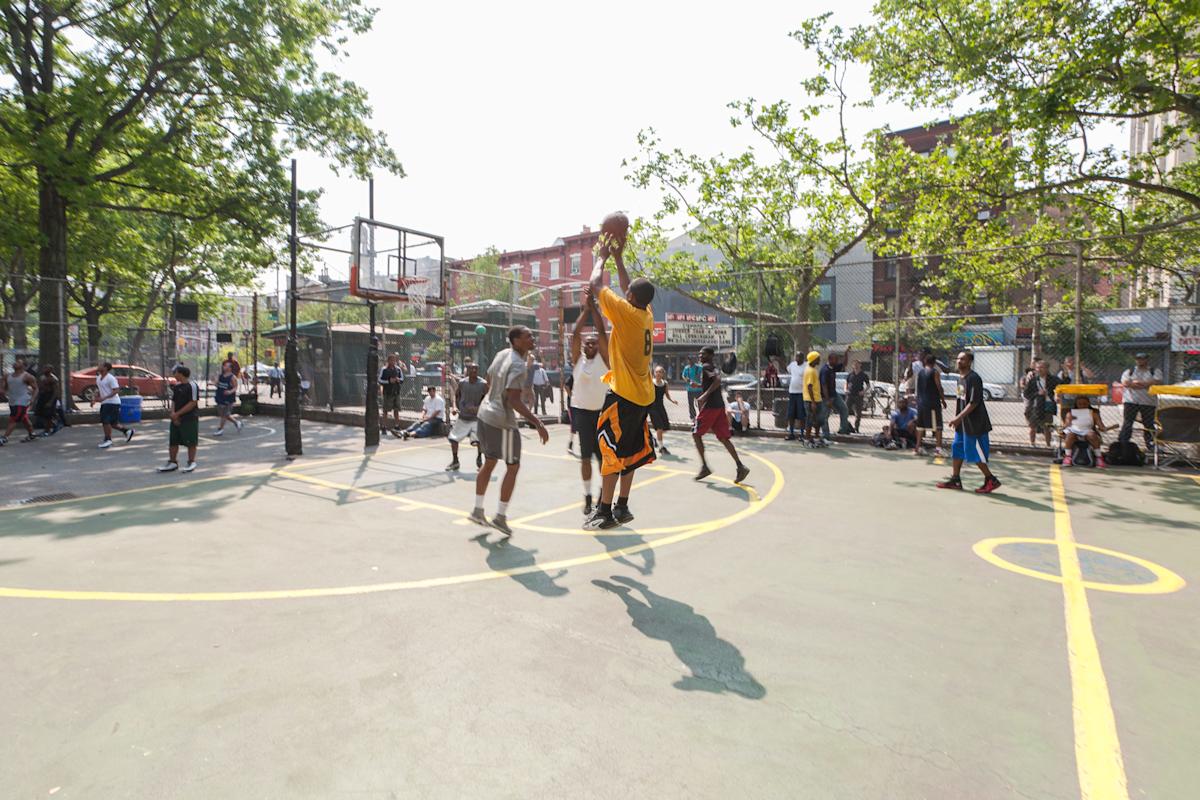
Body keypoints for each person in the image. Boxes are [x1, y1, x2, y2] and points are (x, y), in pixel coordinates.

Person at [584, 232, 657, 530]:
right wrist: (619, 257)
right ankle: (623, 507)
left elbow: (594, 285)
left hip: (624, 395)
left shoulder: (626, 313)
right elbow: (630, 288)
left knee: (610, 450)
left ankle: (604, 510)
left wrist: (601, 255)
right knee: (632, 450)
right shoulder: (645, 313)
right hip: (643, 395)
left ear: (630, 300)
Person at [470, 325, 549, 536]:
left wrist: (494, 399)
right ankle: (500, 517)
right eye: (527, 336)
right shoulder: (518, 364)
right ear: (515, 341)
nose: (532, 338)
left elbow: (488, 381)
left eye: (532, 335)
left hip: (484, 414)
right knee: (513, 467)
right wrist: (538, 422)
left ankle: (478, 510)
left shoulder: (502, 354)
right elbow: (514, 401)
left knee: (489, 462)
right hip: (501, 421)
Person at [937, 350, 1001, 494]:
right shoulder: (960, 378)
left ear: (970, 362)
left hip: (975, 425)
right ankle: (955, 479)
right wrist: (958, 419)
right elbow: (961, 400)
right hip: (963, 424)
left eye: (963, 359)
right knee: (957, 448)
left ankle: (991, 479)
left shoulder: (974, 378)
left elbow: (973, 403)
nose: (959, 361)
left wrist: (958, 417)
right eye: (958, 359)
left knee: (975, 453)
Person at [569, 298, 610, 514]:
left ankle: (603, 494)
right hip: (583, 415)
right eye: (588, 343)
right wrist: (585, 310)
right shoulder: (578, 360)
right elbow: (575, 334)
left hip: (604, 416)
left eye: (594, 343)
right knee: (585, 459)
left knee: (604, 460)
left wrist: (595, 309)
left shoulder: (604, 360)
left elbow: (603, 333)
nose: (591, 345)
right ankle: (587, 496)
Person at [691, 346, 750, 483]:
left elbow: (717, 381)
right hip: (719, 406)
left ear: (710, 355)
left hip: (710, 407)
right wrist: (700, 385)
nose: (700, 356)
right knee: (724, 438)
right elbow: (714, 380)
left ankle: (705, 466)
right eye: (699, 353)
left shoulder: (706, 366)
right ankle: (740, 466)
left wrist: (704, 395)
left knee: (696, 433)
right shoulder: (713, 367)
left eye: (703, 354)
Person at [158, 365, 200, 473]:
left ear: (181, 373)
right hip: (176, 419)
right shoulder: (176, 387)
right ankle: (172, 462)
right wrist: (173, 415)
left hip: (189, 419)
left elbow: (193, 403)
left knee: (191, 442)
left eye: (175, 372)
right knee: (173, 441)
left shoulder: (192, 386)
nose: (173, 374)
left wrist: (178, 414)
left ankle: (191, 462)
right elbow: (174, 401)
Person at [447, 363, 487, 471]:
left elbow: (489, 399)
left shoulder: (483, 384)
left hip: (477, 418)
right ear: (467, 370)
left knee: (478, 441)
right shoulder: (462, 383)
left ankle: (479, 460)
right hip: (463, 417)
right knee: (453, 439)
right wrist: (454, 407)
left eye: (476, 369)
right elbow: (456, 395)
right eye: (471, 368)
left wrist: (479, 407)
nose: (474, 370)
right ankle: (455, 461)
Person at [1118, 352, 1161, 451]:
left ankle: (1152, 445)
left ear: (1147, 360)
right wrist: (1146, 384)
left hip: (1148, 402)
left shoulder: (1154, 371)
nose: (1140, 361)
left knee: (1148, 424)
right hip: (1131, 401)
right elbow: (1125, 383)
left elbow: (1157, 381)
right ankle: (1122, 444)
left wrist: (1138, 383)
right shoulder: (1130, 371)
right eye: (1138, 359)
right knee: (1128, 423)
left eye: (1143, 358)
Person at [91, 362, 134, 448]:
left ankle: (108, 440)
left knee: (105, 421)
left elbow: (116, 390)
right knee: (113, 423)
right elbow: (98, 390)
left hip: (112, 402)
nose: (98, 366)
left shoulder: (110, 378)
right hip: (106, 403)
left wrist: (104, 398)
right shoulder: (99, 378)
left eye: (100, 365)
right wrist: (94, 399)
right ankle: (127, 431)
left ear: (106, 368)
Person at [1062, 396, 1112, 468]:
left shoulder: (1093, 413)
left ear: (1088, 404)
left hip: (1087, 430)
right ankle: (1068, 457)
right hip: (1074, 431)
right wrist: (1069, 421)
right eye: (1080, 404)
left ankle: (1099, 458)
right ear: (1076, 404)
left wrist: (1104, 428)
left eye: (1084, 404)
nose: (1082, 406)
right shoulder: (1071, 413)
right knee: (1070, 435)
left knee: (1091, 435)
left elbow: (1101, 426)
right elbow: (1066, 425)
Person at [0, 358, 39, 445]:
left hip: (23, 401)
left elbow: (36, 389)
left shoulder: (27, 376)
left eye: (18, 362)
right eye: (15, 362)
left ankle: (4, 438)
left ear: (23, 366)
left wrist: (32, 399)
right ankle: (32, 434)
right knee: (24, 418)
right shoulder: (8, 376)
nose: (15, 363)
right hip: (12, 401)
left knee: (13, 419)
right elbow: (4, 386)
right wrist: (2, 390)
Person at [913, 352, 945, 456]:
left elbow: (919, 388)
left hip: (921, 403)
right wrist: (943, 400)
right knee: (938, 426)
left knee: (920, 426)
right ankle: (938, 450)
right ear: (934, 362)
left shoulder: (920, 372)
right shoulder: (935, 372)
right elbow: (939, 387)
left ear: (925, 361)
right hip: (932, 403)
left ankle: (918, 448)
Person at [1022, 359, 1059, 447]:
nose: (1039, 369)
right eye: (1037, 367)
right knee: (1032, 426)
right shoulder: (1033, 380)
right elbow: (1026, 394)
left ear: (1047, 369)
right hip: (1035, 405)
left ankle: (1048, 445)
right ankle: (1032, 443)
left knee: (1047, 426)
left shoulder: (1053, 379)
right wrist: (1037, 393)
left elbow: (1060, 386)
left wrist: (1053, 394)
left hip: (1047, 405)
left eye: (1042, 367)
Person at [819, 353, 850, 437]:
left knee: (844, 409)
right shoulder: (825, 370)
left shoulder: (833, 368)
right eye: (835, 359)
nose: (837, 361)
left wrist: (846, 354)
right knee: (824, 416)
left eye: (837, 359)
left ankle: (843, 430)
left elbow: (844, 364)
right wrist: (828, 399)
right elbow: (824, 385)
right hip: (826, 397)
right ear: (830, 359)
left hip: (834, 394)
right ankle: (826, 436)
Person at [650, 365, 677, 453]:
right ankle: (661, 447)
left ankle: (654, 437)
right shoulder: (651, 382)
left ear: (663, 374)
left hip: (660, 407)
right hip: (652, 407)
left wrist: (673, 400)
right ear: (654, 373)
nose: (658, 373)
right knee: (660, 427)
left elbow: (667, 394)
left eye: (660, 372)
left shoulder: (665, 383)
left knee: (665, 427)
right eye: (657, 372)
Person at [213, 361, 243, 436]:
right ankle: (237, 423)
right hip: (220, 396)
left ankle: (220, 429)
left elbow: (235, 387)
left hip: (228, 398)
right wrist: (214, 381)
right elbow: (217, 384)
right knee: (223, 414)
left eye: (226, 366)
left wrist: (230, 391)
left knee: (224, 415)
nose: (224, 367)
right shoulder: (220, 375)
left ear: (230, 368)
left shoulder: (232, 377)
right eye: (224, 366)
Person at [802, 351, 826, 447]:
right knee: (810, 420)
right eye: (818, 358)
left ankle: (816, 438)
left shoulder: (813, 369)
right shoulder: (810, 371)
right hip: (811, 400)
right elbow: (809, 387)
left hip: (817, 399)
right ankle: (807, 439)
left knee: (818, 420)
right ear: (814, 359)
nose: (819, 360)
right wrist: (813, 402)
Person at [378, 353, 405, 434]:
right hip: (388, 393)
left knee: (396, 410)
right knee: (386, 410)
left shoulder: (398, 369)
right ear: (388, 361)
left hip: (396, 392)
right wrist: (388, 381)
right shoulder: (384, 369)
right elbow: (380, 380)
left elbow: (402, 379)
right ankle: (384, 426)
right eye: (391, 360)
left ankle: (397, 426)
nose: (393, 361)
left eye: (394, 360)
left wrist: (398, 380)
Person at [34, 366, 64, 436]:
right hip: (42, 396)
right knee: (42, 414)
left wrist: (51, 401)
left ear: (51, 370)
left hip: (49, 396)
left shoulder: (53, 379)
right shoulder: (42, 377)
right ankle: (55, 424)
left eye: (46, 368)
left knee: (48, 415)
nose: (44, 369)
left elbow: (55, 391)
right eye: (44, 368)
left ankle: (47, 430)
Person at [784, 351, 807, 440]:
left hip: (801, 393)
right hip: (792, 392)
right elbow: (786, 369)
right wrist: (780, 360)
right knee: (791, 414)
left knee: (801, 415)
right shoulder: (793, 365)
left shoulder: (806, 366)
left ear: (802, 358)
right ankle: (791, 433)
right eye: (796, 357)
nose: (797, 359)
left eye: (799, 357)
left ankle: (802, 434)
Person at [845, 360, 870, 433]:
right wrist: (846, 389)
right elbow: (846, 383)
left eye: (857, 364)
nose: (855, 365)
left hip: (858, 396)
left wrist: (863, 391)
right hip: (850, 395)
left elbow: (868, 385)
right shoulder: (850, 375)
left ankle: (856, 428)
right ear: (852, 366)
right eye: (854, 364)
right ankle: (845, 426)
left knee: (858, 413)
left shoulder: (863, 375)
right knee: (845, 411)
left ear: (860, 365)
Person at [682, 356, 703, 421]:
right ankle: (693, 416)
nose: (690, 361)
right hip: (690, 389)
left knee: (700, 403)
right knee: (691, 404)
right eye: (689, 360)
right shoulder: (686, 368)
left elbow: (703, 376)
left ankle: (701, 416)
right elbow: (683, 375)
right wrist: (686, 379)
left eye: (692, 359)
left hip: (698, 389)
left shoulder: (699, 367)